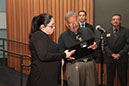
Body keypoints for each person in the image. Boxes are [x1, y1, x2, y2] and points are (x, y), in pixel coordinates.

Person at [26, 13, 75, 86]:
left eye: (54, 25)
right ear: (42, 27)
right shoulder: (38, 35)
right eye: (51, 26)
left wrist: (64, 58)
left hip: (47, 78)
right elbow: (43, 56)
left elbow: (51, 55)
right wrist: (63, 55)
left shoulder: (43, 36)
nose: (54, 28)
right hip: (41, 79)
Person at [58, 11, 98, 86]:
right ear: (67, 25)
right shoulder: (63, 36)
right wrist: (66, 57)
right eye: (71, 23)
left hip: (89, 64)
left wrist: (96, 45)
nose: (74, 24)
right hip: (74, 66)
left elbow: (96, 42)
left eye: (75, 21)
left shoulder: (87, 30)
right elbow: (60, 53)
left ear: (77, 20)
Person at [104, 14, 129, 86]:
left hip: (122, 59)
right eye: (114, 19)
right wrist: (112, 54)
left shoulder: (126, 31)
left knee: (123, 79)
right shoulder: (107, 32)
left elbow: (128, 44)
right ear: (111, 21)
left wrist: (119, 54)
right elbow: (105, 45)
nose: (115, 21)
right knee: (109, 80)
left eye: (117, 19)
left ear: (120, 21)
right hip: (110, 59)